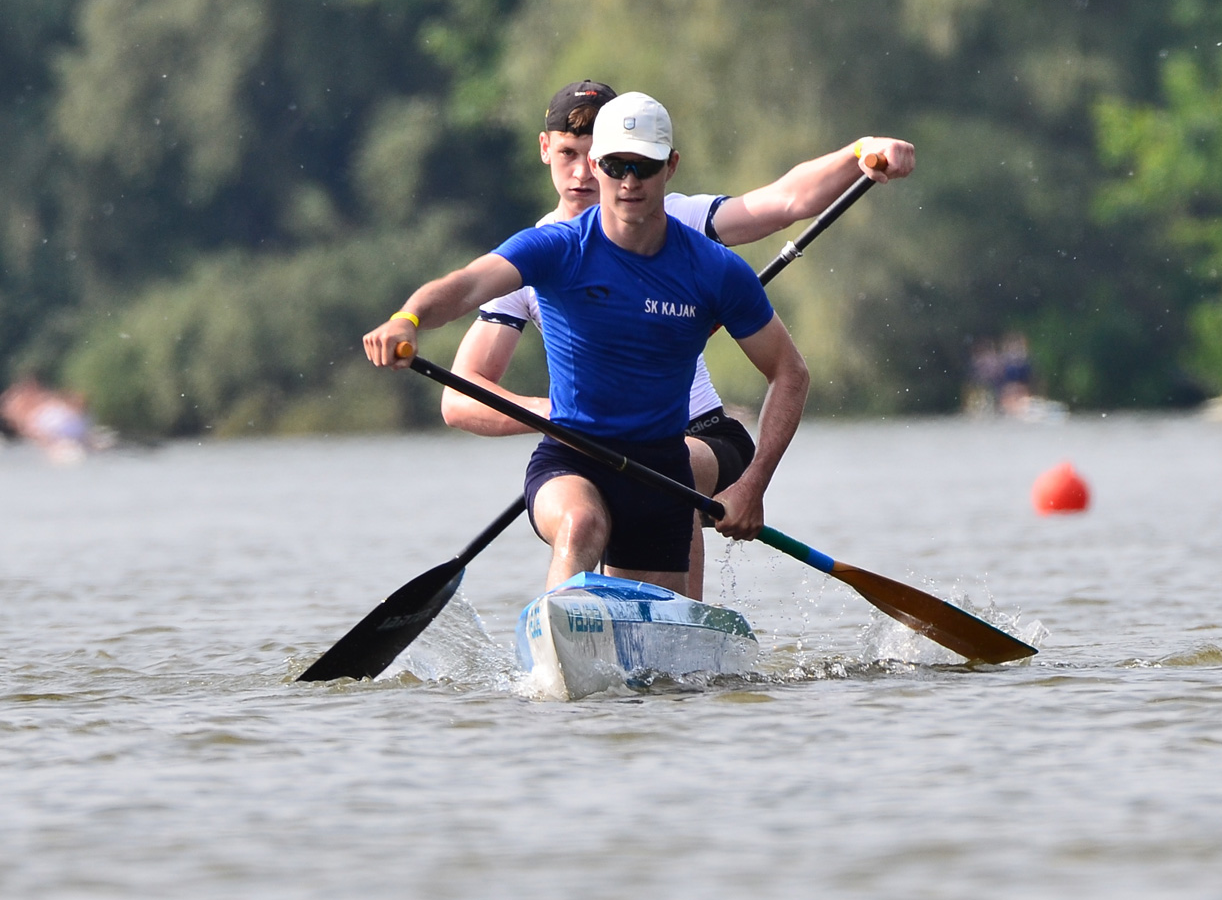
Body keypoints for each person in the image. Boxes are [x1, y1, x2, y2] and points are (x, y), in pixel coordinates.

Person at [439, 79, 916, 596]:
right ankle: (574, 626)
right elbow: (460, 399)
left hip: (702, 436)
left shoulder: (676, 218)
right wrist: (556, 415)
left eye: (622, 161)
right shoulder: (533, 256)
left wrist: (859, 152)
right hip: (592, 446)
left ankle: (676, 624)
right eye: (568, 155)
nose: (582, 174)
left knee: (672, 467)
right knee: (583, 522)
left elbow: (787, 201)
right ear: (545, 150)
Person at [364, 92, 811, 598]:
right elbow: (466, 284)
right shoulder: (556, 248)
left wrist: (753, 485)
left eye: (645, 166)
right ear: (596, 165)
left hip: (661, 471)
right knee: (580, 526)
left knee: (657, 645)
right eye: (617, 165)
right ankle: (558, 653)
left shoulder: (716, 270)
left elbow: (789, 373)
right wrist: (409, 318)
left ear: (672, 167)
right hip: (571, 458)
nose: (629, 182)